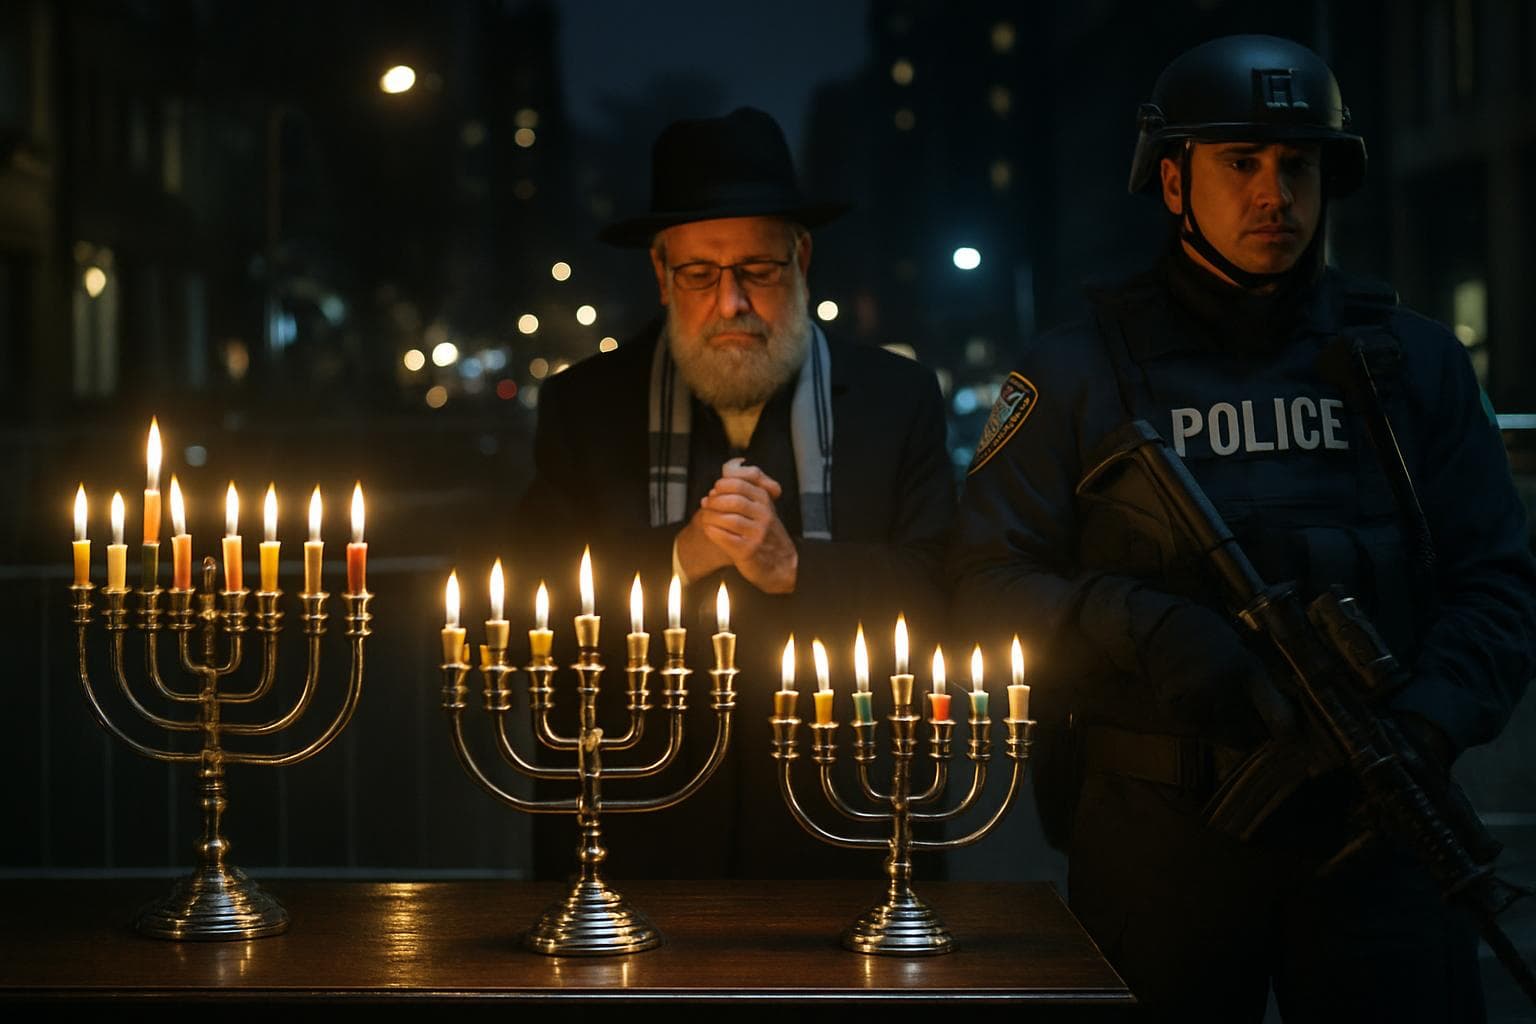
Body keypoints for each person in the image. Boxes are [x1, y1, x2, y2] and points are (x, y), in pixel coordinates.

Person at [950, 35, 1536, 1021]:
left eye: (1298, 165)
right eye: (1240, 162)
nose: (1276, 194)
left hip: (1380, 822)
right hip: (1161, 832)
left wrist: (1427, 720)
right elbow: (980, 583)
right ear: (1173, 181)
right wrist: (1142, 627)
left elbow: (1500, 582)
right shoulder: (1075, 373)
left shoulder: (1413, 363)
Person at [514, 107, 954, 880]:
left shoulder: (899, 398)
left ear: (801, 258)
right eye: (699, 274)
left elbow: (945, 590)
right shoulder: (585, 406)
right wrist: (681, 556)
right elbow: (528, 615)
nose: (731, 303)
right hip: (634, 842)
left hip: (850, 837)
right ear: (661, 274)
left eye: (758, 269)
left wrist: (793, 568)